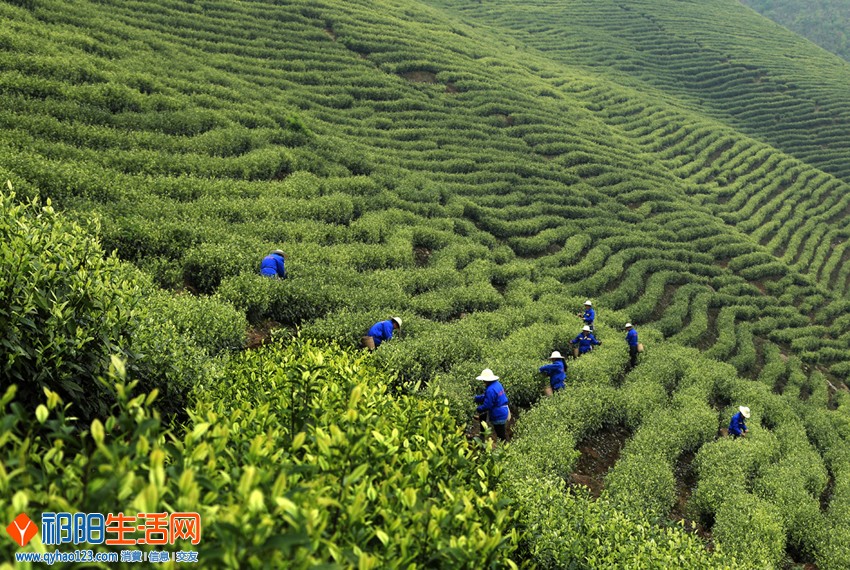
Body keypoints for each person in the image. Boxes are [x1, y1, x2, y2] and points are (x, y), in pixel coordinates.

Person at [473, 368, 510, 440]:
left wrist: (478, 409)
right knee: (501, 432)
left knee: (501, 435)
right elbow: (488, 397)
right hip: (503, 411)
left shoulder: (490, 389)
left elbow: (487, 405)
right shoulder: (497, 384)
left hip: (498, 414)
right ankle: (482, 436)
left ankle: (505, 449)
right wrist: (477, 398)